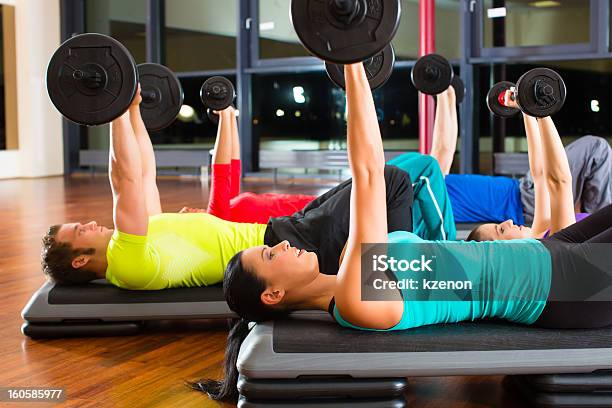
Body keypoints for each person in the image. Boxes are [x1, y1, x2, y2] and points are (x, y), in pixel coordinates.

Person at [192, 62, 612, 402]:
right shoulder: (356, 298)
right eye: (269, 256)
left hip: (551, 255)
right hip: (559, 288)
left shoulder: (349, 270)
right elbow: (370, 175)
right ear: (273, 294)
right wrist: (353, 66)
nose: (281, 243)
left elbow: (553, 182)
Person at [40, 87, 416, 288]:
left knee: (383, 181)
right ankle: (399, 276)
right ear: (80, 260)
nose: (89, 223)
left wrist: (133, 112)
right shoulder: (129, 260)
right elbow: (126, 181)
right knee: (392, 180)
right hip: (287, 246)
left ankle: (396, 261)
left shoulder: (141, 237)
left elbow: (145, 173)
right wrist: (115, 109)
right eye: (79, 231)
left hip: (289, 227)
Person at [467, 91, 587, 241]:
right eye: (502, 230)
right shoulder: (553, 245)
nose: (509, 221)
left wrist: (526, 108)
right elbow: (560, 182)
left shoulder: (540, 233)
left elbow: (540, 175)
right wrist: (541, 112)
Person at [179, 106, 316, 224]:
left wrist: (230, 117)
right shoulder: (218, 219)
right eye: (186, 214)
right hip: (314, 213)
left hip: (311, 203)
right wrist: (225, 115)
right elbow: (220, 171)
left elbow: (233, 166)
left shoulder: (226, 210)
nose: (187, 208)